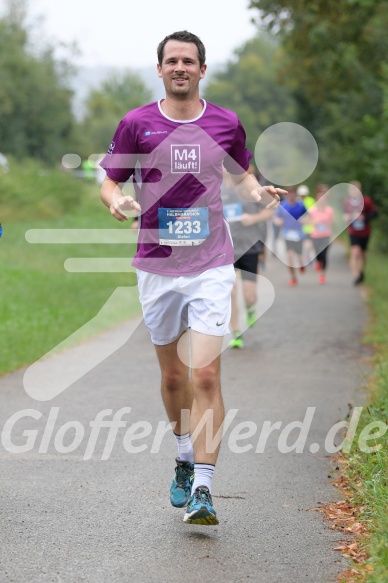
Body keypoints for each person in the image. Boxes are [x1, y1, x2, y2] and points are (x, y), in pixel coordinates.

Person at [99, 31, 284, 526]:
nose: (180, 66)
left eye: (189, 60)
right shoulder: (137, 123)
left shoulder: (225, 122)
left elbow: (240, 173)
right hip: (156, 265)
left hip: (210, 262)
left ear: (202, 69)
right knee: (173, 375)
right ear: (159, 69)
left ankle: (204, 487)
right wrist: (117, 202)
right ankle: (183, 456)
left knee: (204, 373)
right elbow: (110, 179)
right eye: (171, 60)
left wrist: (257, 189)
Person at [221, 167, 273, 349]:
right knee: (231, 292)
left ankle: (250, 308)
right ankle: (236, 332)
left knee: (249, 295)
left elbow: (270, 210)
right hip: (227, 249)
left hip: (250, 247)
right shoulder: (215, 187)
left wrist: (253, 218)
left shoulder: (248, 186)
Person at [343, 181, 377, 285]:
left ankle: (361, 272)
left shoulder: (366, 201)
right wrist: (346, 217)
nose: (354, 191)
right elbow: (344, 214)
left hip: (365, 232)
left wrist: (365, 218)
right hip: (353, 231)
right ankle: (356, 276)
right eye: (351, 189)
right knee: (355, 252)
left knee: (362, 254)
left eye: (356, 189)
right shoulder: (347, 202)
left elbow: (375, 213)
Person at [273, 186, 307, 286]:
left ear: (295, 195)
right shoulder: (283, 206)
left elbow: (308, 216)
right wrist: (278, 221)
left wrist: (304, 220)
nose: (291, 196)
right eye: (289, 194)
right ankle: (293, 277)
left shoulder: (301, 205)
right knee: (289, 256)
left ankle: (301, 264)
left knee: (299, 256)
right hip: (287, 234)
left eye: (293, 193)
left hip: (299, 235)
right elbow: (275, 217)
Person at [309, 184, 334, 284]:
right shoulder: (313, 210)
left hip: (326, 235)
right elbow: (308, 221)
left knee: (324, 255)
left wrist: (328, 222)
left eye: (323, 199)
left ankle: (323, 275)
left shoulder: (329, 210)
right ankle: (318, 261)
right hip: (315, 236)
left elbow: (333, 222)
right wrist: (315, 222)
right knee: (318, 254)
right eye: (320, 199)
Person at [297, 184, 315, 265]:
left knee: (308, 244)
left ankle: (307, 257)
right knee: (305, 244)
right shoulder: (297, 201)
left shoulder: (311, 201)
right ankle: (306, 257)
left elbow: (313, 213)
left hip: (309, 226)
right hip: (300, 226)